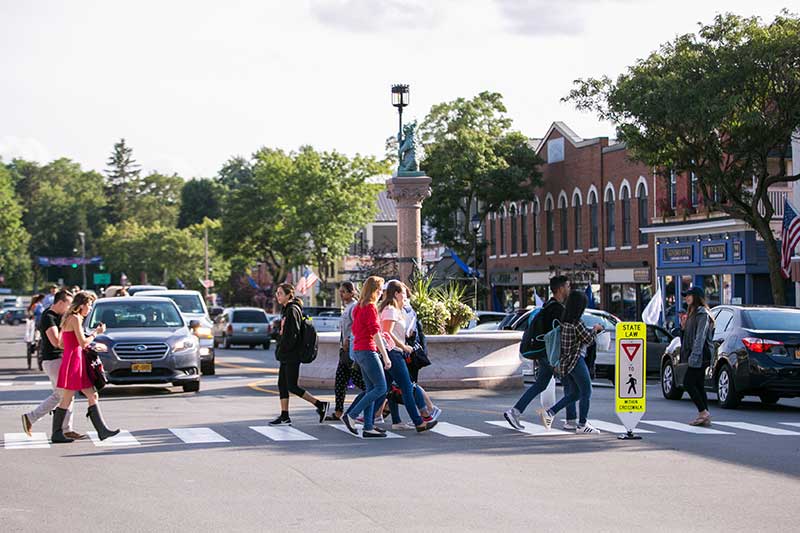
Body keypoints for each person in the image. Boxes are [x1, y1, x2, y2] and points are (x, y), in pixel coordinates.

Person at [504, 275, 569, 430]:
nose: (569, 289)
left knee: (541, 384)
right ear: (560, 289)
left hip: (543, 352)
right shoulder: (557, 309)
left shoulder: (548, 306)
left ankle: (515, 411)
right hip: (550, 354)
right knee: (571, 385)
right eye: (567, 286)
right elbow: (557, 334)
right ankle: (572, 420)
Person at [54, 291, 119, 443]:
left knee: (89, 395)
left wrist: (75, 345)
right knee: (69, 398)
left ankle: (102, 430)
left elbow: (61, 343)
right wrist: (96, 332)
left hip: (73, 359)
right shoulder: (76, 318)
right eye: (89, 305)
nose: (90, 309)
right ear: (81, 305)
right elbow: (83, 343)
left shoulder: (68, 318)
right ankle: (57, 433)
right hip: (75, 362)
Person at [20, 290, 86, 440]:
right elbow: (56, 342)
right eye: (68, 304)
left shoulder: (61, 316)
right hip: (53, 359)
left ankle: (66, 428)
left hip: (62, 359)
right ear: (60, 302)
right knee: (62, 394)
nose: (70, 308)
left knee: (67, 394)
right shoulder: (48, 317)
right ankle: (32, 418)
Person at [539, 290, 603, 434]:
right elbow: (589, 340)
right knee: (587, 390)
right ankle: (582, 424)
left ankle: (549, 413)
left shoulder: (565, 321)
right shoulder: (577, 323)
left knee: (574, 394)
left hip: (565, 363)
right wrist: (595, 329)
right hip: (576, 361)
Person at [379, 280, 437, 433]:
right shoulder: (391, 309)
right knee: (407, 387)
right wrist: (403, 346)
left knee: (381, 388)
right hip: (393, 353)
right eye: (404, 293)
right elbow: (386, 333)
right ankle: (420, 421)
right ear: (397, 294)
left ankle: (356, 415)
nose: (406, 296)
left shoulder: (393, 309)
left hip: (391, 353)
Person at [269, 283, 329, 426]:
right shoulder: (286, 310)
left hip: (292, 354)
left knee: (292, 386)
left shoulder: (292, 310)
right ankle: (284, 416)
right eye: (277, 293)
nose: (278, 296)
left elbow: (293, 334)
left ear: (289, 295)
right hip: (286, 354)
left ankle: (320, 405)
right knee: (282, 384)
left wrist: (284, 347)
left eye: (280, 293)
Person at [341, 276, 393, 438]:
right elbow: (375, 332)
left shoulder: (358, 306)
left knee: (371, 389)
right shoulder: (370, 307)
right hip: (367, 350)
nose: (382, 293)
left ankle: (368, 426)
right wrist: (385, 356)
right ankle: (352, 415)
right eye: (380, 290)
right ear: (375, 290)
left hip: (359, 350)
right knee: (381, 388)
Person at [327, 281, 365, 421]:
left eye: (344, 291)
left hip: (352, 350)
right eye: (340, 291)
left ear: (352, 292)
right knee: (340, 380)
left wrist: (349, 340)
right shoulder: (347, 307)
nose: (341, 294)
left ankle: (380, 399)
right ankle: (338, 411)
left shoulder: (354, 307)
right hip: (344, 351)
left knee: (358, 380)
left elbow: (357, 326)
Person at [680, 286, 715, 426]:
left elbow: (700, 337)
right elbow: (687, 339)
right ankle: (704, 414)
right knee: (699, 384)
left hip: (702, 354)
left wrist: (695, 357)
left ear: (697, 297)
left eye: (689, 295)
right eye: (686, 295)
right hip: (696, 353)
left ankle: (703, 412)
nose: (686, 298)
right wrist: (683, 328)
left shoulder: (702, 314)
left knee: (688, 383)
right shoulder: (692, 314)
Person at [24, 293, 45, 370]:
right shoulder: (38, 305)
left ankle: (35, 341)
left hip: (35, 324)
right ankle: (37, 341)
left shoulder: (32, 306)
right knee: (38, 331)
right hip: (37, 324)